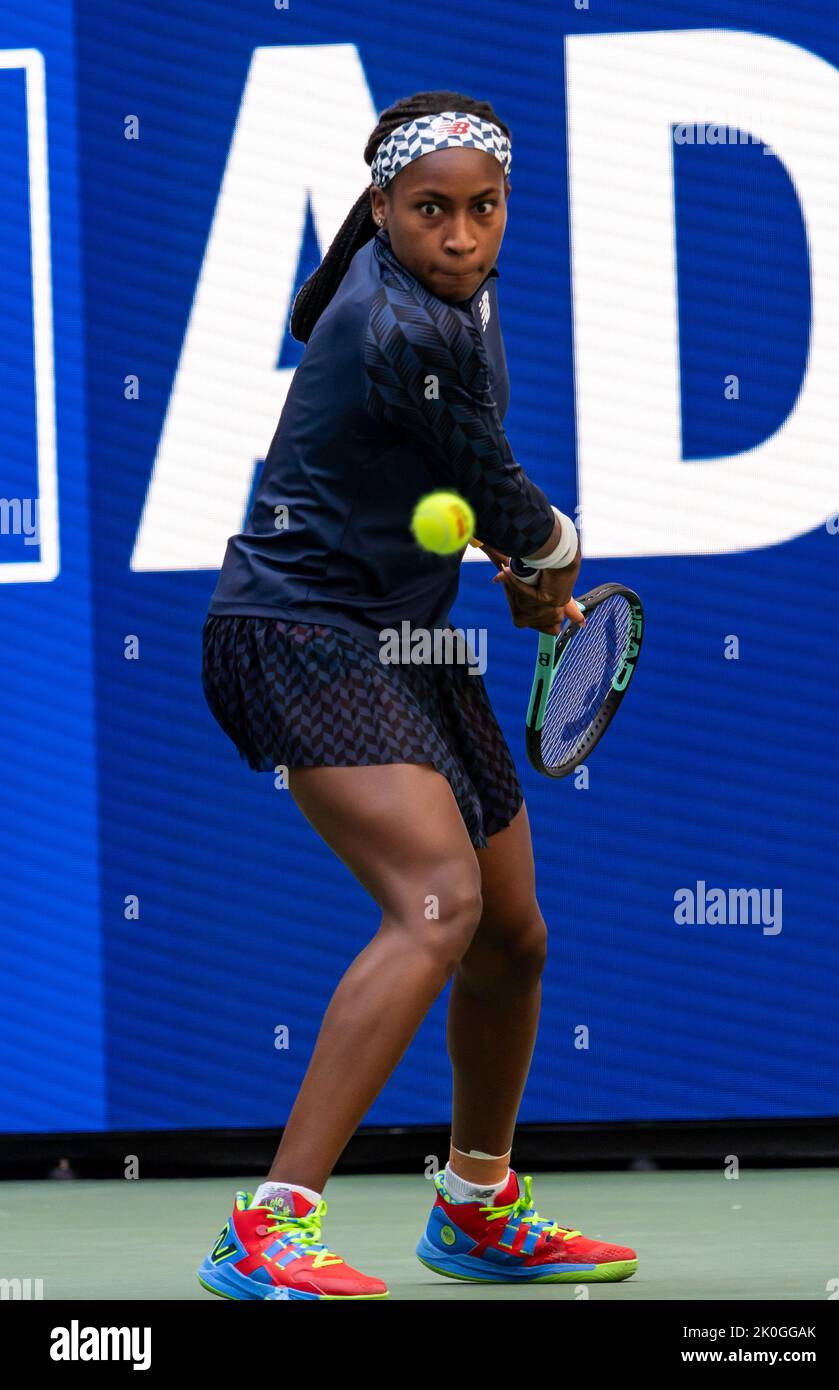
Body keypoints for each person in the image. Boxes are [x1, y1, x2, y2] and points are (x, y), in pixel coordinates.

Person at [197, 91, 637, 1300]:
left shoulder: (459, 300)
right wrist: (545, 556)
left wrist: (519, 564)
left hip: (406, 638)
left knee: (510, 931)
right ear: (380, 210)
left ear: (504, 212)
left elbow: (459, 489)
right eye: (429, 211)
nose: (457, 236)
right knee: (436, 901)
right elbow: (503, 499)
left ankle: (477, 1202)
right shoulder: (399, 324)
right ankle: (266, 1225)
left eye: (480, 211)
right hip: (293, 636)